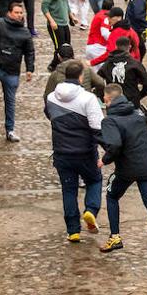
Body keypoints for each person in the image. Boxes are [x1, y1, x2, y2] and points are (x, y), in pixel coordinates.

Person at [99, 83, 147, 259]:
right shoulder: (139, 115)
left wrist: (104, 160)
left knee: (112, 195)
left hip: (126, 169)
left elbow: (114, 145)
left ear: (107, 99)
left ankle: (115, 237)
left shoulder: (109, 120)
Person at [44, 60, 104, 243]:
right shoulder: (88, 98)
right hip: (85, 151)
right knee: (95, 180)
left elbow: (49, 114)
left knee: (68, 189)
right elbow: (98, 127)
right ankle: (90, 210)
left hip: (61, 152)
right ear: (80, 77)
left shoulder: (52, 97)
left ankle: (73, 231)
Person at [0, 1, 35, 151]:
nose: (19, 15)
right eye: (17, 12)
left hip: (12, 69)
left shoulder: (25, 32)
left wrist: (30, 68)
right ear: (9, 13)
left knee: (10, 101)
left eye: (21, 13)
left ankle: (10, 129)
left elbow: (29, 51)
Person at [97, 35, 147, 108]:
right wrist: (138, 96)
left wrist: (103, 96)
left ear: (116, 47)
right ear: (129, 47)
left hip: (113, 102)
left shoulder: (107, 64)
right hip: (131, 102)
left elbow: (97, 81)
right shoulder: (135, 64)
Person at [41, 0, 72, 72]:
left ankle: (59, 64)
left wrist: (71, 16)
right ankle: (55, 66)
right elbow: (44, 8)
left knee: (67, 45)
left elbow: (66, 4)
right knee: (59, 47)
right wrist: (51, 21)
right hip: (55, 24)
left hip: (64, 23)